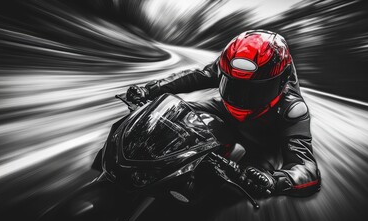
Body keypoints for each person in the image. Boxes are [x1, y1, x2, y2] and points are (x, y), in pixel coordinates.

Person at [126, 29, 320, 197]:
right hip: (223, 108)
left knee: (243, 188)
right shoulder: (228, 65)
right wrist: (151, 90)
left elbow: (306, 168)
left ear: (282, 80)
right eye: (233, 86)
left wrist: (275, 181)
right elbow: (196, 77)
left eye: (255, 90)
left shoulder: (293, 109)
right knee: (172, 114)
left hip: (264, 137)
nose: (242, 97)